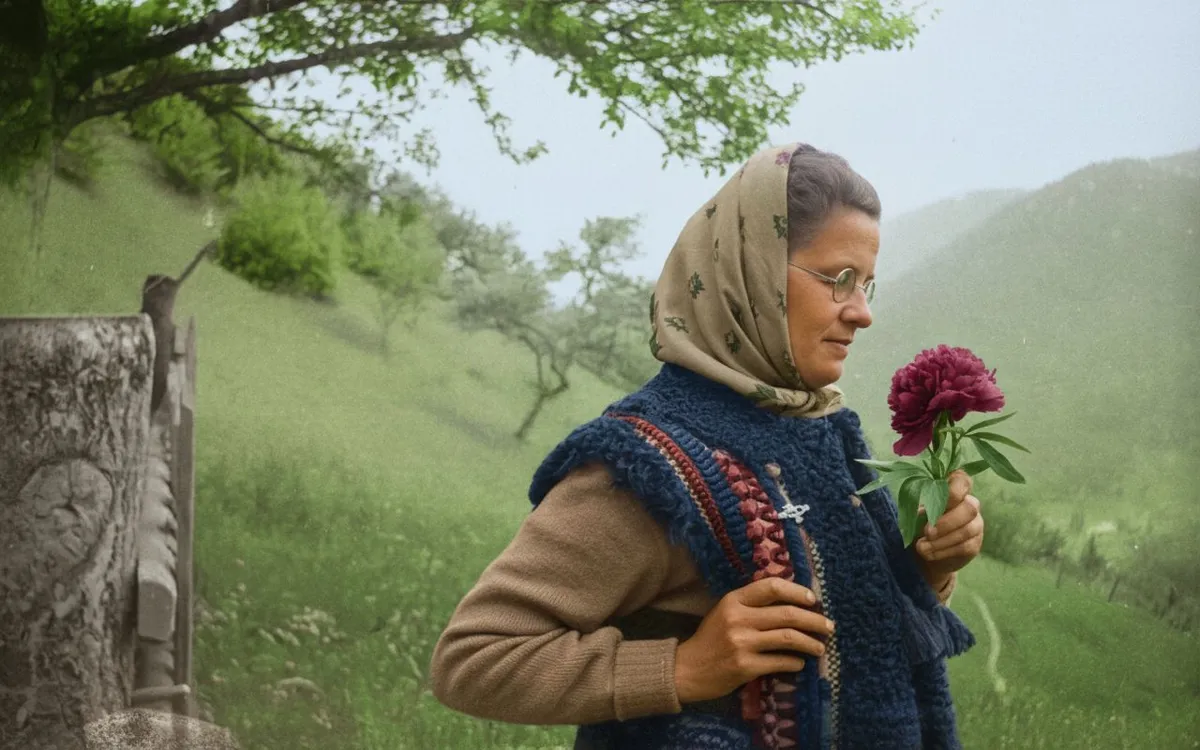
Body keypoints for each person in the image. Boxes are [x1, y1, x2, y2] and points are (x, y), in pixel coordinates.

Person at [429, 143, 985, 750]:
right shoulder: (645, 463)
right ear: (753, 274)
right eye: (839, 279)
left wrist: (929, 568)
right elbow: (474, 657)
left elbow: (861, 630)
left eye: (867, 285)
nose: (861, 313)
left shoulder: (823, 430)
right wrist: (682, 669)